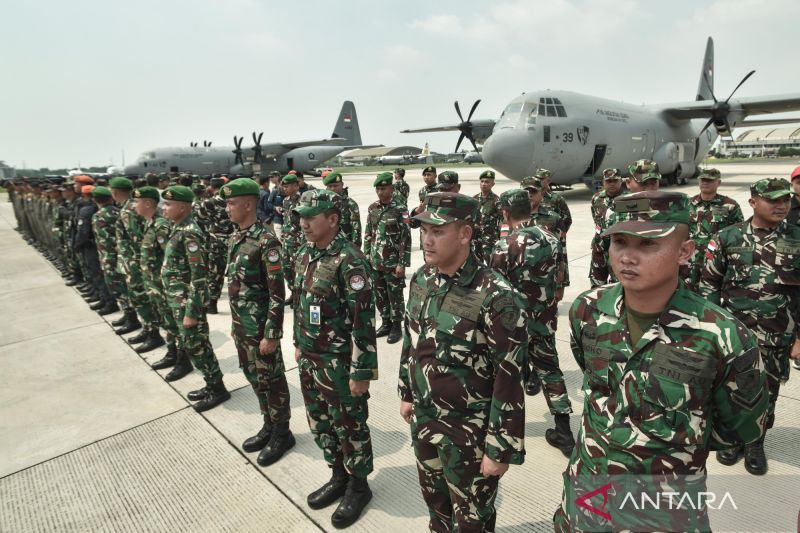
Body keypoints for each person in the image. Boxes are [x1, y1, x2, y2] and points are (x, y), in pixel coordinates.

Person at [554, 191, 767, 532]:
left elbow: (738, 429)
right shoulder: (588, 311)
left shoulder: (722, 335)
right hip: (585, 506)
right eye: (620, 242)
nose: (627, 257)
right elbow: (595, 382)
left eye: (647, 245)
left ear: (685, 252)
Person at [399, 192, 528, 532]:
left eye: (438, 231)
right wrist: (406, 391)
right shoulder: (422, 279)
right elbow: (412, 338)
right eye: (423, 229)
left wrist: (501, 447)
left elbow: (510, 374)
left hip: (469, 435)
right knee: (437, 508)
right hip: (426, 421)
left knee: (472, 521)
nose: (426, 239)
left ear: (465, 234)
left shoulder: (496, 294)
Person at [699, 177, 800, 475]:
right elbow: (708, 285)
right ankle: (732, 439)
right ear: (753, 201)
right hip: (734, 335)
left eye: (785, 199)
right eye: (773, 199)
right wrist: (710, 331)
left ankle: (756, 442)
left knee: (767, 392)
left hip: (777, 333)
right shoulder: (727, 237)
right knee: (729, 389)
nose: (781, 205)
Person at [293, 189, 377, 528]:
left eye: (311, 217)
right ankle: (338, 475)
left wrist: (361, 371)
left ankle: (358, 485)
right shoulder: (305, 254)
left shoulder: (350, 260)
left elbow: (363, 320)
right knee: (320, 423)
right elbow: (300, 303)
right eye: (301, 217)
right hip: (310, 358)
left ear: (332, 219)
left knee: (350, 426)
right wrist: (298, 343)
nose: (303, 223)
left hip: (339, 363)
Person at [490, 189, 574, 456]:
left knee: (507, 375)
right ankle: (564, 432)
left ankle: (507, 431)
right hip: (545, 319)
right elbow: (560, 274)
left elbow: (495, 289)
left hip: (513, 324)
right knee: (550, 371)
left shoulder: (506, 245)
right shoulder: (552, 237)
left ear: (505, 213)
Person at [220, 178, 294, 464]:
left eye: (231, 203)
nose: (227, 209)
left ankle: (282, 433)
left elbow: (277, 294)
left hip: (261, 330)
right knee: (255, 378)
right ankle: (268, 424)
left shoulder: (267, 242)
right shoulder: (235, 238)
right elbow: (236, 287)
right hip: (243, 328)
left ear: (248, 204)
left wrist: (272, 334)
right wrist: (236, 324)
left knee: (272, 380)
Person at [160, 185, 230, 411]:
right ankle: (211, 384)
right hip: (178, 299)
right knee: (192, 345)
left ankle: (217, 388)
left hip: (187, 301)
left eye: (169, 204)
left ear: (182, 207)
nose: (165, 208)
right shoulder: (178, 227)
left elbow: (199, 276)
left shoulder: (190, 232)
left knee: (198, 346)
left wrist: (192, 310)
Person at [589, 159, 661, 287]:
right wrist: (597, 287)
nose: (649, 189)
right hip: (622, 286)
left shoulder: (671, 213)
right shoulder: (614, 213)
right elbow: (599, 249)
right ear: (628, 183)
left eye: (653, 183)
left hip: (657, 289)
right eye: (643, 183)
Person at [363, 172, 410, 344]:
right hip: (375, 262)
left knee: (395, 295)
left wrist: (402, 263)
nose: (380, 192)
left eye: (384, 188)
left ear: (391, 188)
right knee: (380, 295)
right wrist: (366, 255)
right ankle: (386, 323)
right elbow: (368, 234)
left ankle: (397, 325)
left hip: (392, 263)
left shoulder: (400, 209)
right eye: (378, 189)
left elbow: (406, 238)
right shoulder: (372, 208)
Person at [682, 168, 744, 292]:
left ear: (718, 183)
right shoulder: (687, 205)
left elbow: (739, 235)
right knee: (688, 296)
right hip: (690, 263)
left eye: (710, 180)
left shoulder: (729, 205)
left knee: (713, 296)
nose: (705, 183)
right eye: (703, 180)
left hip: (716, 262)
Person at [132, 187, 176, 356]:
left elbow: (170, 258)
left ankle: (176, 355)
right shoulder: (149, 223)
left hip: (162, 285)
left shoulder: (160, 226)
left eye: (137, 201)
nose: (134, 205)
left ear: (148, 203)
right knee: (164, 320)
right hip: (153, 284)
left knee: (170, 321)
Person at [90, 186, 124, 316]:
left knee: (118, 289)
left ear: (95, 200)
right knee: (123, 288)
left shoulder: (98, 216)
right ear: (111, 198)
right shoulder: (119, 212)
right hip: (119, 255)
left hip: (109, 257)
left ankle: (130, 317)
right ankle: (129, 315)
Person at [537, 169, 572, 293]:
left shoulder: (556, 198)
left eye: (543, 179)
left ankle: (556, 295)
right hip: (536, 241)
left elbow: (567, 218)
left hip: (553, 240)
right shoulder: (531, 196)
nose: (540, 182)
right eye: (538, 179)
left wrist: (560, 234)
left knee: (557, 268)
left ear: (548, 181)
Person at [588, 168, 624, 287]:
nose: (612, 184)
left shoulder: (628, 199)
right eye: (609, 181)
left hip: (620, 248)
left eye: (615, 181)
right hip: (599, 248)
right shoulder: (597, 198)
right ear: (603, 182)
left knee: (618, 285)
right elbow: (596, 220)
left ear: (621, 181)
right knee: (596, 284)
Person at [280, 174, 303, 302]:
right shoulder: (286, 201)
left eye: (287, 186)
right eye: (284, 187)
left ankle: (299, 295)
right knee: (286, 268)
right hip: (287, 241)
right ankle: (293, 292)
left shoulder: (303, 201)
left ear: (296, 186)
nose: (285, 189)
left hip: (298, 241)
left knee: (298, 269)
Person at [323, 171, 362, 247]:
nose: (333, 189)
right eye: (330, 186)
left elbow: (356, 229)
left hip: (344, 245)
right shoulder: (323, 203)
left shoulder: (350, 204)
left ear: (342, 185)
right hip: (326, 244)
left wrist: (356, 248)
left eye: (335, 186)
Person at [472, 169, 501, 263]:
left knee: (488, 263)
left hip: (489, 239)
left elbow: (503, 219)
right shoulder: (474, 199)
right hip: (475, 238)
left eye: (487, 182)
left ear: (493, 184)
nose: (484, 184)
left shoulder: (497, 200)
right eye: (482, 181)